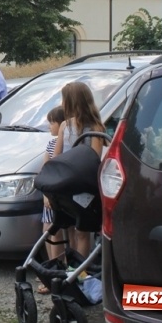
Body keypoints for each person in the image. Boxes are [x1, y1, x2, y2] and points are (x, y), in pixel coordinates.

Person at [53, 81, 106, 258]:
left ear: (72, 102)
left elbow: (92, 159)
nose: (62, 104)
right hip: (74, 185)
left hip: (77, 185)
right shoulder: (66, 126)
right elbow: (58, 155)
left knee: (80, 231)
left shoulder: (92, 128)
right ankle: (73, 268)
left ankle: (78, 271)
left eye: (64, 99)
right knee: (74, 230)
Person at [39, 105, 66, 288]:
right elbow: (45, 168)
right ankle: (51, 266)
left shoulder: (59, 143)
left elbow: (48, 168)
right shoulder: (52, 144)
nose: (50, 126)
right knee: (47, 232)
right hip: (49, 195)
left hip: (53, 196)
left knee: (53, 233)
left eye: (52, 122)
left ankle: (56, 268)